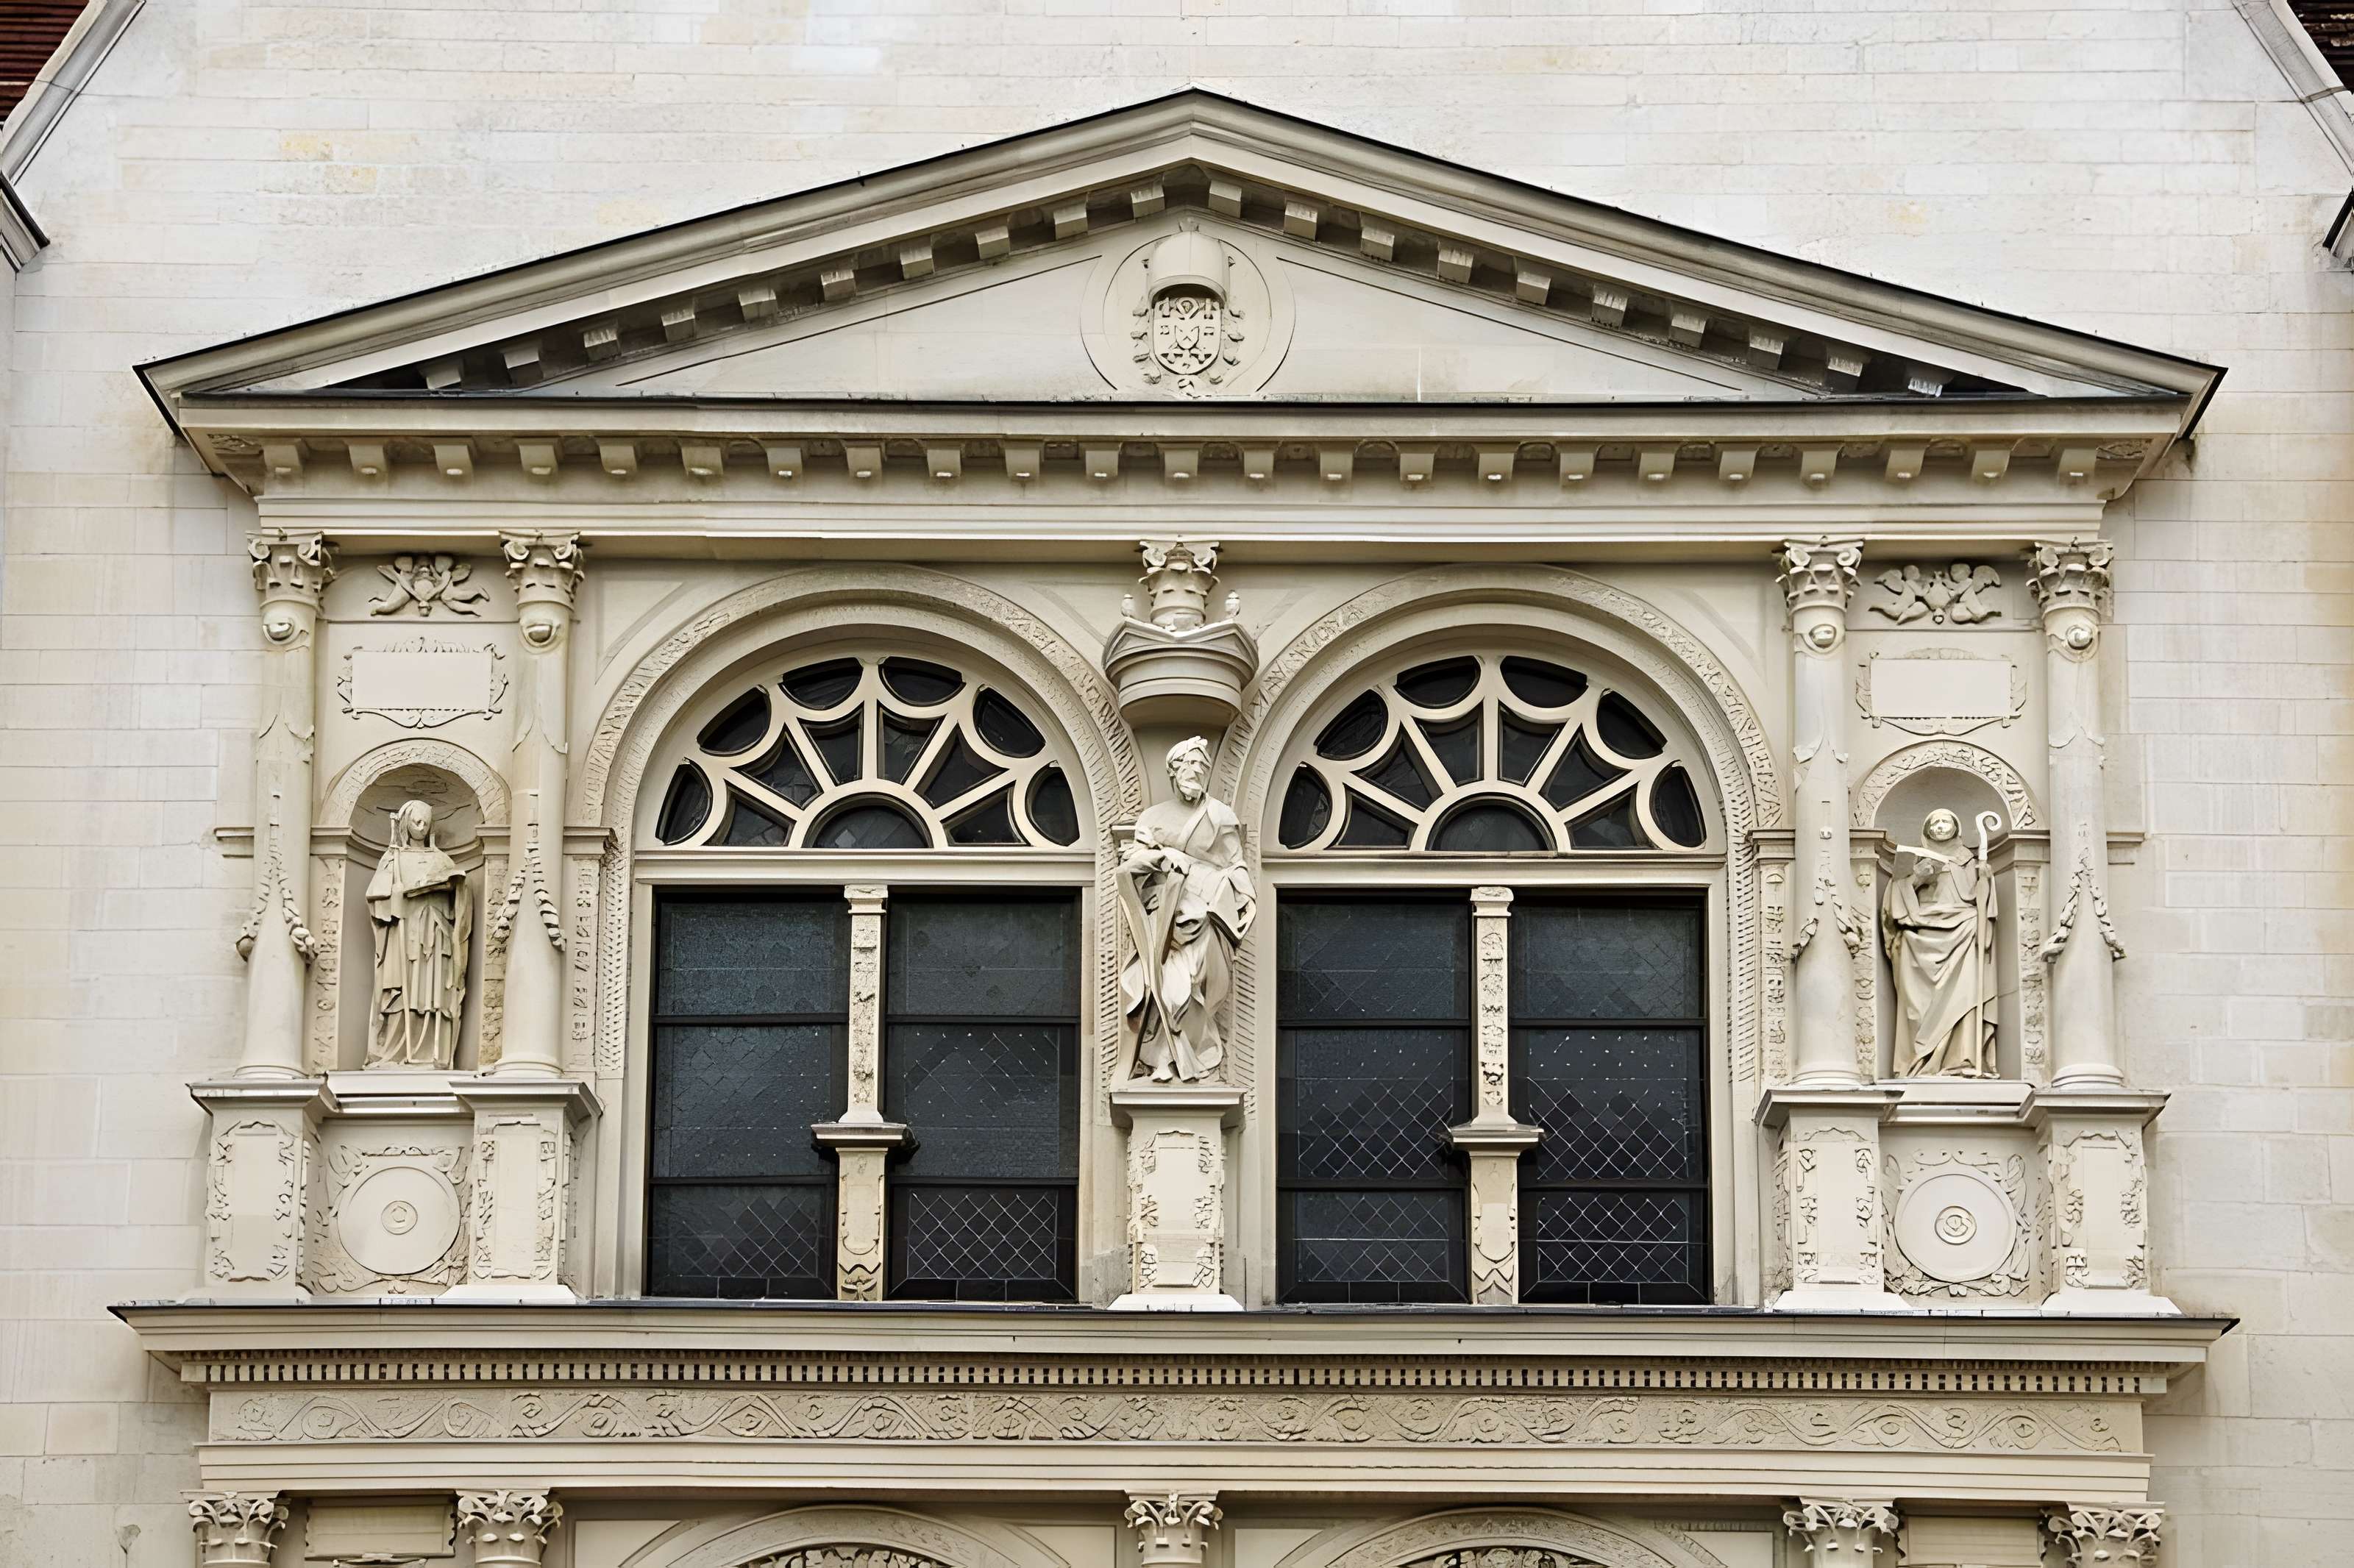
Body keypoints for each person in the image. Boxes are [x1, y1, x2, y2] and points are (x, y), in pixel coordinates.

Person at [1117, 737, 1256, 1083]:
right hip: (1165, 916)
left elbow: (1236, 866)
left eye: (1201, 766)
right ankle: (1165, 1060)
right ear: (1173, 770)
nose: (1195, 772)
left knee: (1193, 988)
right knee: (1165, 989)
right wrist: (1163, 857)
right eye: (1188, 765)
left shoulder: (1220, 816)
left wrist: (1244, 897)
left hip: (1206, 914)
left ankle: (1187, 1060)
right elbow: (1130, 863)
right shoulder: (1153, 817)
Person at [1883, 808, 1997, 1078]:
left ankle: (1962, 1058)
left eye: (1947, 821)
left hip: (1962, 932)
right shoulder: (1917, 860)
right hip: (1921, 931)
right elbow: (1892, 905)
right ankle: (1918, 1061)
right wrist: (1918, 878)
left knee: (1966, 989)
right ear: (1926, 830)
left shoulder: (1970, 862)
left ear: (1957, 828)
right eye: (1935, 822)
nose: (1942, 826)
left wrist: (1985, 877)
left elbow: (1981, 904)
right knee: (1908, 948)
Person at [365, 799, 472, 1069]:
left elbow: (460, 901)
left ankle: (432, 1054)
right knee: (403, 992)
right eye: (417, 822)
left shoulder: (442, 860)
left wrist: (456, 889)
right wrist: (395, 897)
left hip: (435, 937)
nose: (422, 827)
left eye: (426, 822)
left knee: (433, 992)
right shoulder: (393, 859)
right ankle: (396, 1053)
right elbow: (376, 899)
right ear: (406, 824)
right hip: (405, 934)